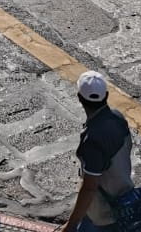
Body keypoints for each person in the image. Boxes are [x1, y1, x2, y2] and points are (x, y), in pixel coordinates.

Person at [57, 70, 135, 232]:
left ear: (79, 98)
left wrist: (70, 226)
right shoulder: (119, 119)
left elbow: (89, 187)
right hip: (126, 197)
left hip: (104, 214)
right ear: (106, 96)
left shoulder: (91, 140)